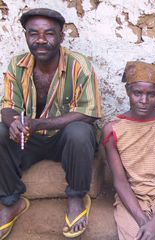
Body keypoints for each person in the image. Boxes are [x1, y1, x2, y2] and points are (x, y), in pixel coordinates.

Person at [0, 8, 101, 239]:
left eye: (49, 33)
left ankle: (76, 197)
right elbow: (6, 106)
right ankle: (10, 201)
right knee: (1, 130)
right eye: (33, 33)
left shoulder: (79, 65)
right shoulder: (17, 65)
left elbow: (89, 113)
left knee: (79, 131)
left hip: (63, 141)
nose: (41, 40)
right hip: (29, 139)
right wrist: (14, 122)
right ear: (26, 35)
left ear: (61, 37)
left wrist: (38, 123)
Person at [103, 61, 155, 240]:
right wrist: (143, 220)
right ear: (127, 92)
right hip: (132, 195)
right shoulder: (113, 130)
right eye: (137, 93)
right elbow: (121, 182)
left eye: (151, 95)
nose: (143, 100)